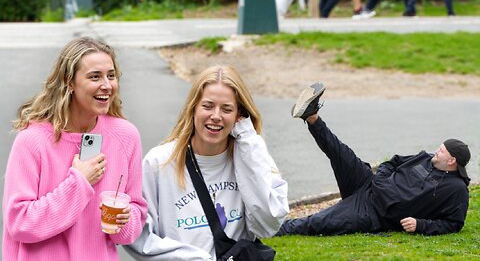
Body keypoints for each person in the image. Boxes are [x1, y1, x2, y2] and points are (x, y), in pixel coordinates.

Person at [2, 37, 148, 260]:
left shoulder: (125, 136)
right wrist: (79, 182)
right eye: (94, 76)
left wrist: (125, 221)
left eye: (111, 75)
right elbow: (20, 223)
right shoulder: (32, 140)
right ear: (69, 82)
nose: (107, 85)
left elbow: (132, 221)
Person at [125, 65, 289, 260]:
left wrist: (248, 140)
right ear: (193, 108)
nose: (216, 116)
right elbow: (139, 237)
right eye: (208, 106)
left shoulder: (251, 157)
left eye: (227, 109)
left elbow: (267, 225)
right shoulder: (158, 163)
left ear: (239, 115)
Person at [276, 82, 470, 236]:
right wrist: (381, 179)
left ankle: (270, 230)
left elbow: (453, 224)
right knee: (340, 152)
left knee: (320, 222)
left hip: (375, 212)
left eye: (442, 151)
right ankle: (312, 116)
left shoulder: (456, 189)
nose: (437, 150)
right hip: (368, 182)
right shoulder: (425, 158)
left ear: (452, 161)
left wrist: (421, 225)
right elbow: (391, 162)